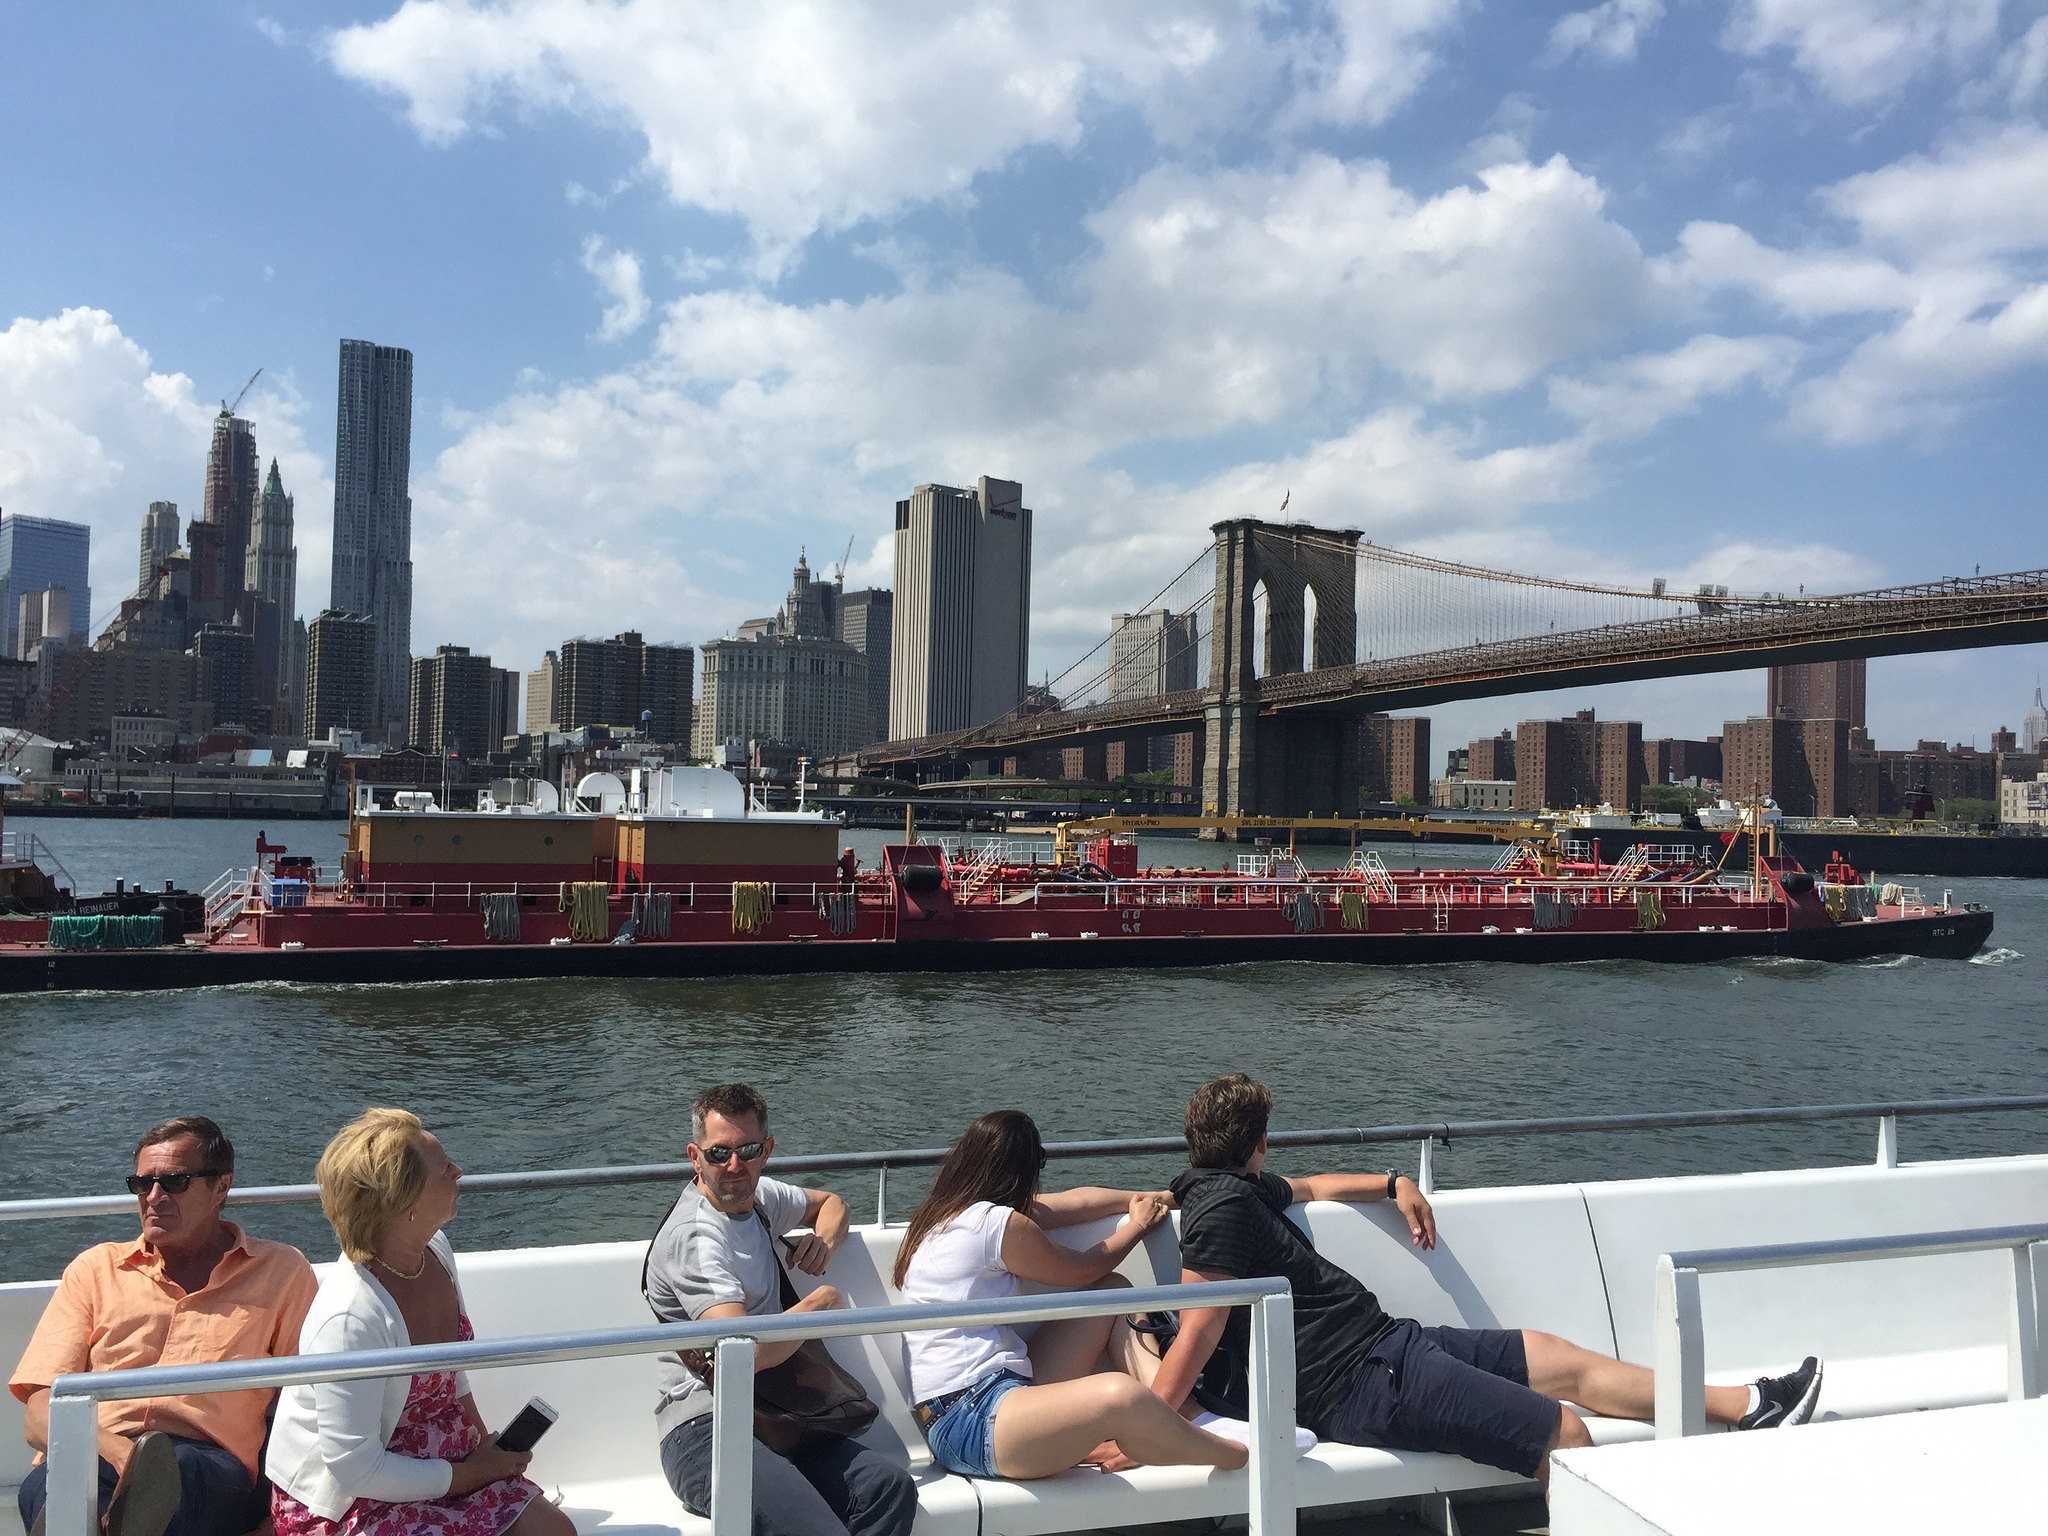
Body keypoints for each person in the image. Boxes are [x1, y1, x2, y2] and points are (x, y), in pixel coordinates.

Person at [1136, 1075, 1823, 1489]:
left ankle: (1747, 1403)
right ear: (1256, 1142)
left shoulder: (1235, 1188)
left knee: (1555, 1357)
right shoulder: (1223, 1209)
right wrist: (1146, 1431)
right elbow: (1201, 1326)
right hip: (1362, 1384)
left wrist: (1392, 1182)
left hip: (1386, 1347)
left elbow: (1313, 1184)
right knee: (1564, 1436)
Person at [265, 1109, 573, 1536]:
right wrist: (470, 1475)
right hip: (351, 1499)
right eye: (445, 1168)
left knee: (554, 1531)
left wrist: (486, 1449)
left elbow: (453, 1373)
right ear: (405, 1202)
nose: (459, 1172)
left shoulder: (436, 1251)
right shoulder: (350, 1316)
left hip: (443, 1461)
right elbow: (354, 1468)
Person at [893, 1110, 1247, 1481]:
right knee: (1119, 1396)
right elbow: (1081, 1268)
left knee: (1113, 1294)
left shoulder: (946, 1216)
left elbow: (1077, 1202)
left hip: (974, 1407)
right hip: (973, 1420)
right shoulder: (995, 1225)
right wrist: (1138, 1226)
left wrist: (1154, 1198)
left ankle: (1176, 1414)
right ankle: (1233, 1453)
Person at [10, 1115, 320, 1536]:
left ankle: (97, 1521)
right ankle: (105, 1517)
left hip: (206, 1460)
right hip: (93, 1449)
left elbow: (306, 1402)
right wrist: (121, 1454)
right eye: (141, 1184)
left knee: (177, 1478)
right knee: (53, 1484)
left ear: (221, 1187)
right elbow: (37, 1412)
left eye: (173, 1182)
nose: (153, 1197)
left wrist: (277, 1515)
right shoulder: (95, 1269)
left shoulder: (280, 1272)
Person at [644, 1084, 915, 1536]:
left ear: (766, 1150)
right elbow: (740, 1355)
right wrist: (818, 1305)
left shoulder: (761, 1198)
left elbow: (832, 1203)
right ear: (695, 1156)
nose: (734, 1166)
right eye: (718, 1154)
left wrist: (823, 1243)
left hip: (778, 1416)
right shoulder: (696, 1240)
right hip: (706, 1429)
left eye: (747, 1150)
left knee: (888, 1490)